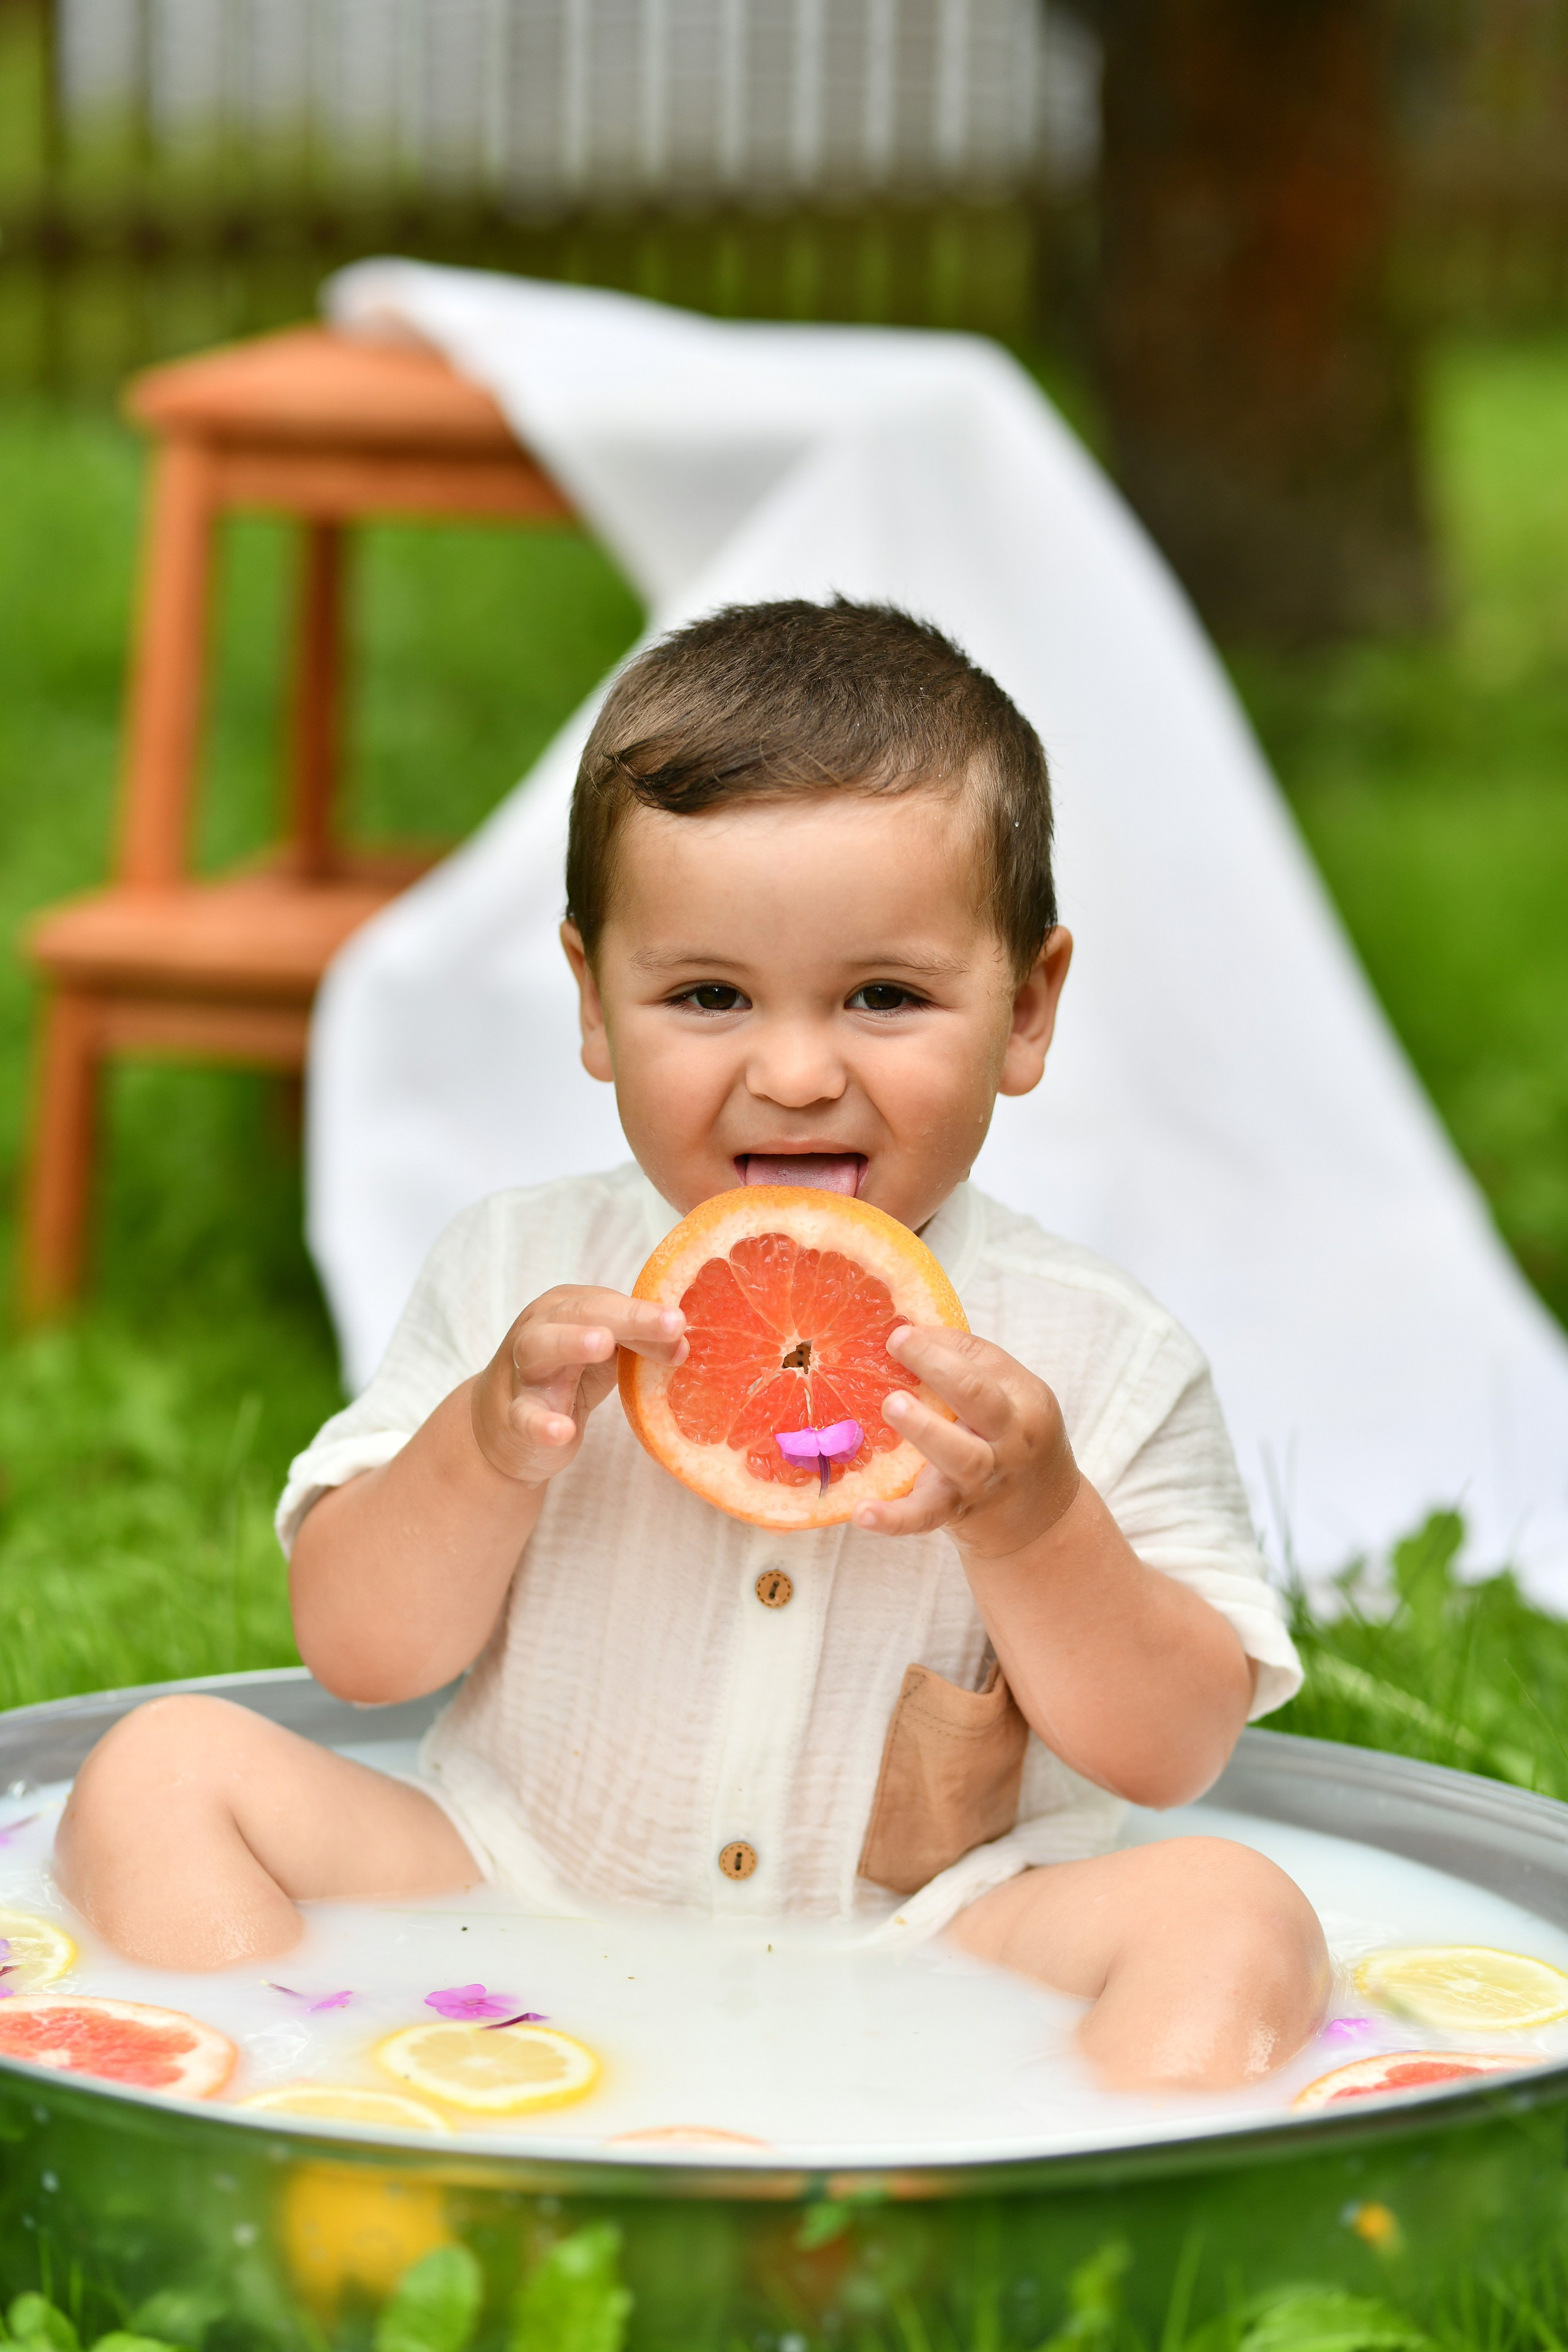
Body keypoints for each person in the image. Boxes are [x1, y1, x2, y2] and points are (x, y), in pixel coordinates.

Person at [57, 600, 1329, 2090]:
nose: (793, 1075)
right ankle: (293, 2111)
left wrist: (1035, 1519)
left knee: (1236, 1918)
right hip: (506, 1880)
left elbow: (1170, 1751)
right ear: (594, 1001)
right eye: (708, 995)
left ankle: (1022, 2219)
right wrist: (482, 1452)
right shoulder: (518, 1277)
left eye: (884, 996)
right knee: (159, 1771)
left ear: (1026, 1009)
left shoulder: (1091, 1358)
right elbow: (357, 1653)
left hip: (934, 1942)